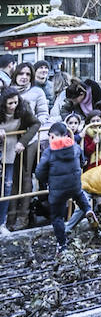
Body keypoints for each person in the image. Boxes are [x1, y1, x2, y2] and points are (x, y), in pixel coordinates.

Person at [35, 121, 98, 252]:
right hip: (74, 183)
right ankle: (87, 209)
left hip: (57, 189)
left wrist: (48, 181)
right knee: (79, 194)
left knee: (57, 217)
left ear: (52, 136)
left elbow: (39, 172)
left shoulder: (49, 151)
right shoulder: (74, 146)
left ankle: (62, 245)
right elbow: (82, 161)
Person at [0, 88, 40, 234]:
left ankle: (3, 222)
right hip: (2, 149)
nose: (13, 106)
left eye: (15, 102)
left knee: (8, 187)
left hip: (11, 152)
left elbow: (36, 123)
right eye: (9, 103)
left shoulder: (22, 109)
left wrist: (23, 141)